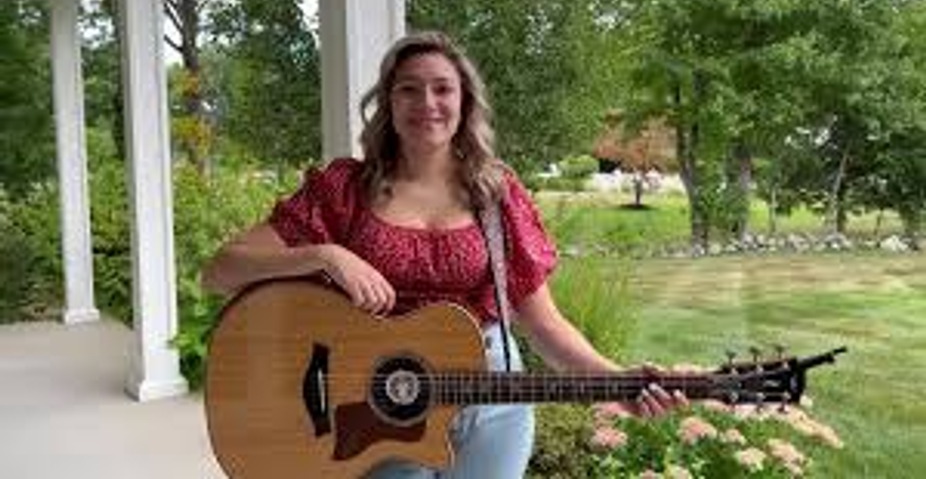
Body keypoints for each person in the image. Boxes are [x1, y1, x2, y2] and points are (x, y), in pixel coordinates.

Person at [201, 31, 686, 479]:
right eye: (409, 89)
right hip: (372, 404)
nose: (427, 103)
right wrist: (324, 255)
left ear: (464, 101)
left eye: (442, 89)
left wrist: (616, 382)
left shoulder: (496, 195)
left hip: (491, 397)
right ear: (388, 102)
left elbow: (544, 325)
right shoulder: (344, 190)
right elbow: (221, 271)